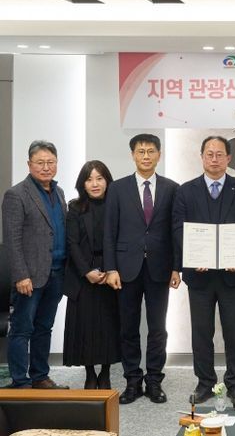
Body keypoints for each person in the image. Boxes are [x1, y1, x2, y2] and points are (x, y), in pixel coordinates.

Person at [173, 136, 235, 409]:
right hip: (199, 275)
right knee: (201, 332)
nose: (215, 159)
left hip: (232, 275)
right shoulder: (186, 191)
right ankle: (205, 383)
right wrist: (192, 256)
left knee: (234, 331)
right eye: (210, 154)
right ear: (202, 157)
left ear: (229, 158)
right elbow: (178, 229)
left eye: (220, 154)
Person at [104, 133, 180, 404]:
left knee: (158, 328)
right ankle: (133, 381)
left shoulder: (172, 188)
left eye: (150, 151)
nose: (146, 156)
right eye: (140, 151)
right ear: (133, 155)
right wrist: (110, 268)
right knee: (128, 327)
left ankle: (155, 381)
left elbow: (176, 231)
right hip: (126, 269)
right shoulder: (117, 188)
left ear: (159, 154)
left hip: (160, 268)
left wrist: (177, 267)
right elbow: (109, 231)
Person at [1, 140, 69, 389]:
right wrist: (21, 275)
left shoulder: (59, 193)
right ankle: (20, 382)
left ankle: (40, 376)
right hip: (29, 276)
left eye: (50, 162)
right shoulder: (16, 194)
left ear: (57, 164)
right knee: (22, 329)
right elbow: (12, 240)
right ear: (29, 164)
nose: (46, 167)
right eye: (40, 162)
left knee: (44, 327)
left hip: (56, 273)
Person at [63, 160, 121, 389]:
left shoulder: (116, 205)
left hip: (111, 271)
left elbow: (121, 240)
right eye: (89, 179)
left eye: (99, 178)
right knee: (85, 326)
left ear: (107, 181)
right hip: (83, 274)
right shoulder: (75, 207)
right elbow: (72, 243)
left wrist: (110, 269)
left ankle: (105, 372)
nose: (95, 184)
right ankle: (89, 372)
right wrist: (86, 271)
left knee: (109, 324)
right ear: (83, 184)